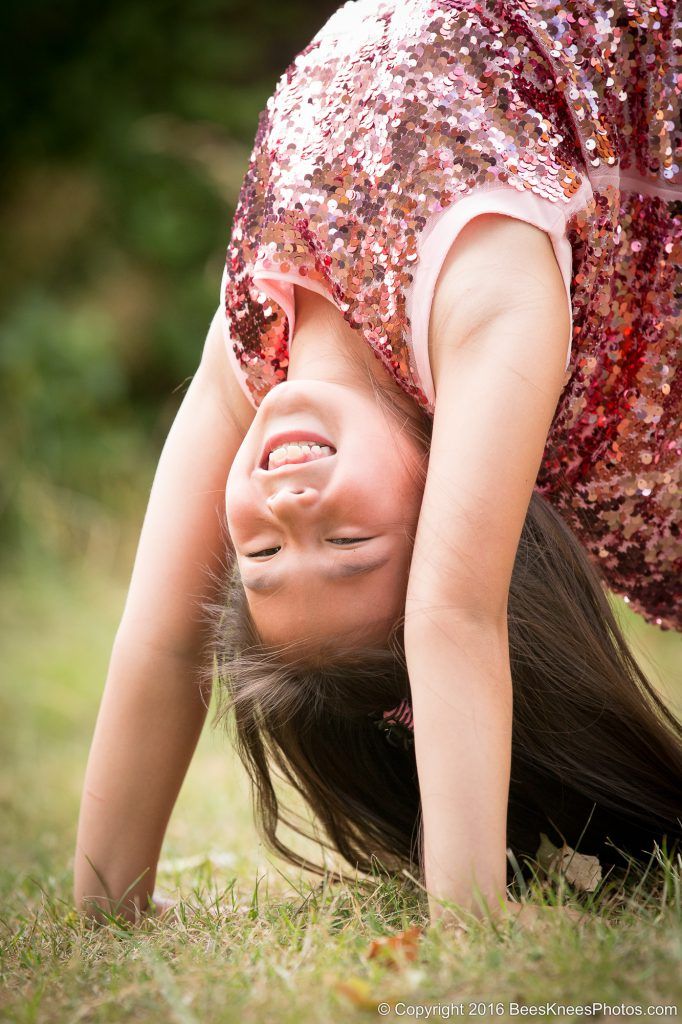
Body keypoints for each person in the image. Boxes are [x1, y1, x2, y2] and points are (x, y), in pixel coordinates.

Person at [74, 0, 682, 927]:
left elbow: (160, 642)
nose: (290, 506)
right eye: (346, 540)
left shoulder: (251, 355)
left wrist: (102, 907)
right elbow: (452, 616)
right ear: (439, 510)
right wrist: (466, 917)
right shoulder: (487, 313)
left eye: (265, 558)